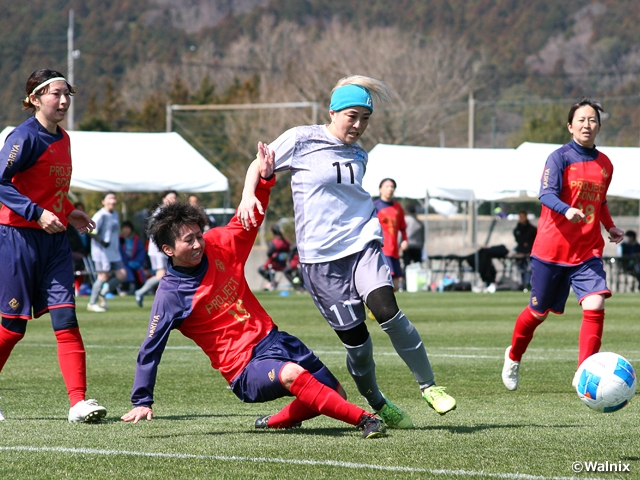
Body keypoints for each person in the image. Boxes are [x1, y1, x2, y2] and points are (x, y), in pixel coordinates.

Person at [238, 75, 456, 430]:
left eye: (365, 119)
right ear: (333, 111)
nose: (358, 125)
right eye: (352, 116)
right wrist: (251, 192)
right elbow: (258, 164)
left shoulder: (359, 154)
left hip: (362, 245)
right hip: (321, 262)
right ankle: (377, 401)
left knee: (388, 311)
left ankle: (429, 386)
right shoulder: (302, 138)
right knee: (358, 344)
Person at [121, 150, 386, 439]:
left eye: (199, 235)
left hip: (276, 340)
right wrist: (142, 399)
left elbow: (250, 217)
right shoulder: (170, 294)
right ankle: (367, 420)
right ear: (168, 250)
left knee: (334, 393)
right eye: (189, 240)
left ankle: (274, 422)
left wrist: (265, 179)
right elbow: (151, 348)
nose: (199, 244)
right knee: (293, 375)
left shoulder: (219, 244)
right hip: (245, 369)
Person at [0, 68, 106, 422]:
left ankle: (78, 402)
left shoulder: (64, 139)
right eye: (55, 94)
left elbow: (49, 190)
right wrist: (35, 213)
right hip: (17, 239)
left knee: (66, 318)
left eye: (66, 94)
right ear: (34, 99)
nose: (63, 101)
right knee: (12, 327)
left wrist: (68, 211)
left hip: (56, 241)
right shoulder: (23, 137)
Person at [502, 98, 624, 391]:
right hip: (551, 250)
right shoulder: (559, 158)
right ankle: (514, 355)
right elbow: (545, 194)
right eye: (581, 120)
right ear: (570, 126)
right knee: (537, 313)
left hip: (587, 250)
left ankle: (585, 371)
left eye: (592, 120)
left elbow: (600, 201)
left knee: (595, 302)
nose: (587, 124)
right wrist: (566, 209)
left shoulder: (605, 163)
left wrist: (610, 226)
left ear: (598, 126)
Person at [134, 191, 177, 307]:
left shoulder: (170, 212)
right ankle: (140, 292)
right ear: (163, 199)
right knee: (161, 275)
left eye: (174, 198)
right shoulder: (160, 212)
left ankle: (167, 299)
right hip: (157, 249)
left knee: (168, 274)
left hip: (165, 248)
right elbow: (153, 231)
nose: (173, 200)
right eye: (170, 197)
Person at [87, 192, 127, 312]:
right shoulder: (100, 215)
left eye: (114, 198)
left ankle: (102, 294)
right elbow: (90, 231)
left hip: (114, 252)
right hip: (101, 252)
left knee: (122, 275)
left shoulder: (115, 214)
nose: (112, 201)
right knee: (103, 276)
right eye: (109, 198)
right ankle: (92, 303)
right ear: (103, 201)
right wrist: (102, 242)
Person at [373, 178, 407, 291]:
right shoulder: (375, 206)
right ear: (380, 189)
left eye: (392, 187)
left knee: (396, 286)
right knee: (386, 283)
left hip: (394, 250)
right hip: (382, 248)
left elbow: (403, 226)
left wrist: (405, 240)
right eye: (387, 186)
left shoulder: (398, 207)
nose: (390, 189)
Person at [257, 223, 291, 290]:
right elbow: (289, 252)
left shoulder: (274, 242)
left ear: (272, 232)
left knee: (261, 269)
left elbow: (269, 253)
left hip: (273, 264)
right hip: (283, 264)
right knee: (271, 270)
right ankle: (272, 282)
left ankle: (272, 281)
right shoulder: (286, 242)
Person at [119, 220, 147, 295]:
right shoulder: (119, 239)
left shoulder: (136, 239)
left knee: (139, 271)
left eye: (128, 228)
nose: (126, 230)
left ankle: (140, 289)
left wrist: (136, 262)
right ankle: (125, 289)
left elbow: (141, 252)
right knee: (126, 270)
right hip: (122, 262)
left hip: (134, 262)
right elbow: (118, 252)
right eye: (124, 228)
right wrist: (124, 261)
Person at [513, 211, 537, 289]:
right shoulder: (517, 228)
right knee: (521, 268)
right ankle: (522, 283)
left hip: (529, 252)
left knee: (529, 269)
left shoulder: (531, 229)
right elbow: (518, 239)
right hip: (520, 251)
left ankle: (528, 283)